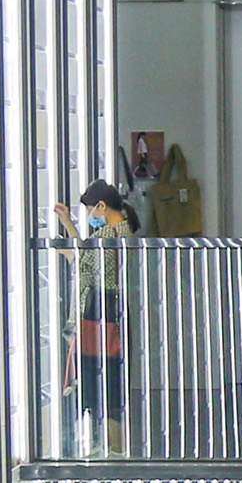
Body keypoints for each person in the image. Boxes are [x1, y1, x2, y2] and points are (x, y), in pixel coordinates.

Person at [67, 183, 135, 451]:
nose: (89, 216)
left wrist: (72, 254)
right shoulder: (123, 229)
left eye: (89, 209)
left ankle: (109, 447)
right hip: (112, 310)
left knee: (99, 381)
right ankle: (112, 446)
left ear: (102, 207)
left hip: (100, 311)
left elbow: (88, 267)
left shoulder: (110, 234)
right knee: (111, 382)